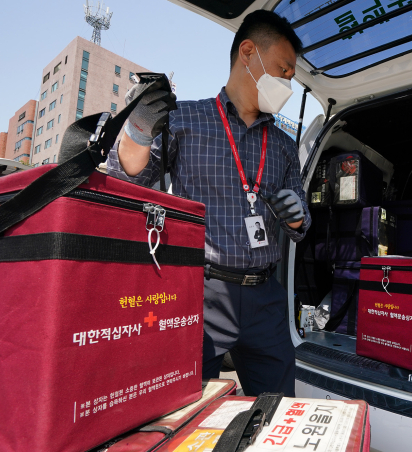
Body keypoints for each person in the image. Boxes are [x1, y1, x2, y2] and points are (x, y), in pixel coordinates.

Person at [107, 10, 311, 397]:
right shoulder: (186, 119)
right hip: (199, 292)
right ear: (248, 52)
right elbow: (127, 176)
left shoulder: (284, 145)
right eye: (284, 71)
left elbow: (301, 223)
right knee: (184, 410)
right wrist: (139, 127)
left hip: (266, 297)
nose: (287, 83)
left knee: (279, 408)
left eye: (291, 78)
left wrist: (298, 219)